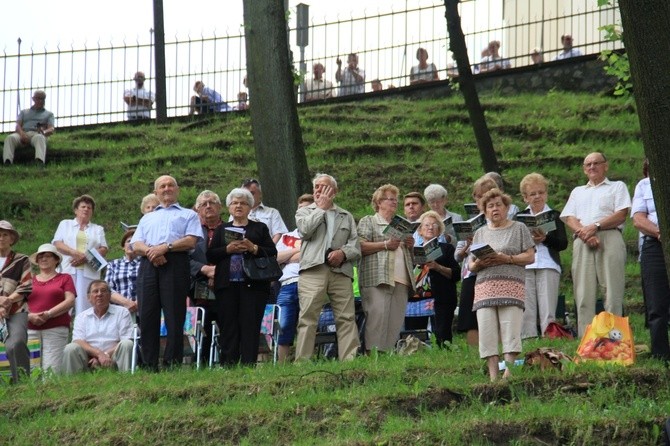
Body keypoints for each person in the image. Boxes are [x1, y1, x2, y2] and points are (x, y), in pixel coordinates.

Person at [129, 175, 201, 370]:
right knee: (147, 314)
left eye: (171, 185)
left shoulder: (189, 215)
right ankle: (149, 363)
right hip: (148, 265)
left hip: (176, 263)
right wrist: (153, 252)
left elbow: (191, 240)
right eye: (162, 186)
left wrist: (166, 248)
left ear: (177, 190)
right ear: (156, 192)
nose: (167, 188)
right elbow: (136, 243)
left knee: (174, 314)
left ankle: (173, 362)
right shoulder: (147, 217)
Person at [560, 152, 630, 336]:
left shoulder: (617, 187)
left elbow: (621, 213)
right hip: (583, 241)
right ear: (584, 169)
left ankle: (615, 342)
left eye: (596, 163)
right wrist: (585, 234)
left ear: (605, 166)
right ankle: (586, 342)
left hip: (610, 237)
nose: (592, 167)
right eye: (588, 164)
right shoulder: (578, 191)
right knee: (583, 294)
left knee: (612, 293)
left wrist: (595, 226)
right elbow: (569, 217)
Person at [468, 189, 535, 381]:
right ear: (485, 211)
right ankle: (492, 377)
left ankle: (509, 373)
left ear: (506, 208)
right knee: (487, 331)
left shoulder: (519, 228)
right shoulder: (480, 232)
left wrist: (508, 258)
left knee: (510, 329)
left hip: (511, 285)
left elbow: (530, 256)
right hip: (485, 288)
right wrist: (478, 264)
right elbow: (471, 264)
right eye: (490, 206)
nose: (495, 209)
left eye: (498, 205)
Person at [294, 173, 362, 361]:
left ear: (335, 191)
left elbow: (356, 245)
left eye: (324, 187)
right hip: (313, 270)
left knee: (346, 317)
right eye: (316, 187)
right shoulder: (305, 211)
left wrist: (343, 253)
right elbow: (305, 231)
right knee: (308, 317)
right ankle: (303, 362)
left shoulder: (346, 215)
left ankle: (349, 360)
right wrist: (320, 209)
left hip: (341, 271)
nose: (319, 190)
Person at [206, 188, 277, 366]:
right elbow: (211, 255)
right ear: (229, 207)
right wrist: (227, 250)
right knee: (228, 326)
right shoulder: (221, 229)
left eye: (243, 203)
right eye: (235, 203)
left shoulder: (259, 227)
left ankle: (248, 364)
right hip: (227, 285)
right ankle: (228, 364)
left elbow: (272, 251)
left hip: (253, 286)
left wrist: (253, 248)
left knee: (250, 325)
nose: (239, 206)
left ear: (250, 207)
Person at [357, 184, 415, 353]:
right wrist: (385, 244)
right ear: (379, 202)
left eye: (396, 200)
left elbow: (408, 255)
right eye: (390, 199)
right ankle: (373, 356)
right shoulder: (369, 221)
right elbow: (359, 246)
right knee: (377, 319)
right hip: (377, 278)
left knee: (395, 321)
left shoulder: (401, 224)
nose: (394, 203)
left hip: (401, 279)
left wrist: (410, 246)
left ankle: (387, 357)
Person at [517, 173, 568, 338]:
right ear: (525, 198)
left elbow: (562, 243)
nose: (537, 196)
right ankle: (529, 338)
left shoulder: (555, 215)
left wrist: (545, 238)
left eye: (541, 192)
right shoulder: (518, 218)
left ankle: (550, 338)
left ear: (546, 194)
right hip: (526, 265)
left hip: (548, 263)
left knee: (548, 308)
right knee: (527, 308)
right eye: (532, 194)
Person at [456, 175, 500, 347]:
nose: (480, 199)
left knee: (493, 313)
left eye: (484, 195)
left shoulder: (499, 220)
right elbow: (457, 256)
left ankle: (496, 351)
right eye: (477, 196)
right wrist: (467, 245)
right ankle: (474, 353)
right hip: (471, 272)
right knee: (470, 316)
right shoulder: (469, 223)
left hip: (493, 272)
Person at [631, 166, 669, 362]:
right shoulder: (644, 185)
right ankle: (661, 353)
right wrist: (661, 234)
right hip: (654, 244)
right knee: (656, 301)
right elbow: (638, 219)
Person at [61, 280, 134, 374]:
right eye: (95, 291)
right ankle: (72, 384)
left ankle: (126, 380)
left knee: (127, 343)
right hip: (89, 359)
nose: (99, 294)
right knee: (71, 348)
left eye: (103, 291)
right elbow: (78, 340)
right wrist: (98, 355)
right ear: (88, 297)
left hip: (114, 357)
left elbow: (127, 338)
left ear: (109, 295)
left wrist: (105, 355)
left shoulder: (122, 312)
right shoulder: (81, 317)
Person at [53, 194, 108, 316]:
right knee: (63, 303)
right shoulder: (65, 224)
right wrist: (75, 254)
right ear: (76, 210)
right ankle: (62, 331)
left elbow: (104, 249)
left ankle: (83, 334)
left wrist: (85, 257)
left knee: (86, 306)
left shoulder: (97, 229)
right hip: (67, 269)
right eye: (83, 206)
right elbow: (57, 243)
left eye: (89, 207)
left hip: (89, 271)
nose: (86, 209)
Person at [275, 193, 314, 363]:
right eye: (300, 209)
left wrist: (288, 257)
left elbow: (315, 255)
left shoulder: (318, 234)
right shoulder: (286, 237)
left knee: (308, 324)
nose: (303, 213)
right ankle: (281, 364)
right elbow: (275, 258)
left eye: (308, 210)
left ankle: (303, 360)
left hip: (312, 281)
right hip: (288, 284)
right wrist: (298, 252)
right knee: (284, 325)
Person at [27, 244, 76, 374]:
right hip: (30, 329)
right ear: (37, 261)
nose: (43, 259)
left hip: (55, 328)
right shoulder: (28, 281)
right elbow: (19, 303)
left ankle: (50, 394)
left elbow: (70, 300)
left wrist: (48, 314)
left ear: (56, 260)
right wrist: (30, 316)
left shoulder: (65, 278)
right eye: (40, 256)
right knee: (32, 371)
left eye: (48, 256)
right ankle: (33, 395)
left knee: (52, 370)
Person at [414, 211, 461, 345]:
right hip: (417, 297)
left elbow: (456, 274)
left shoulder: (447, 248)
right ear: (420, 230)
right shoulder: (413, 250)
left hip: (443, 296)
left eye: (434, 225)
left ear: (439, 230)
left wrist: (437, 267)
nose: (430, 227)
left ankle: (443, 355)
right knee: (417, 332)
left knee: (442, 333)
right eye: (426, 225)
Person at [189, 190, 224, 363]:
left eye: (212, 203)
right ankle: (202, 362)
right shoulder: (191, 232)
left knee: (228, 321)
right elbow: (184, 259)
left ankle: (229, 360)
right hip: (200, 284)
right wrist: (204, 270)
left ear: (220, 207)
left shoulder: (231, 229)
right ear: (197, 209)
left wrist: (217, 272)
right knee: (205, 321)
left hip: (226, 282)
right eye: (204, 204)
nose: (208, 206)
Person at [0, 221, 32, 383]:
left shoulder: (21, 260)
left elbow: (26, 285)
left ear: (12, 239)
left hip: (16, 310)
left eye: (5, 234)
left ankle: (22, 383)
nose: (1, 238)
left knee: (17, 343)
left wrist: (7, 301)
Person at [3, 90, 54, 166]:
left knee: (40, 138)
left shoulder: (49, 114)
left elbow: (51, 128)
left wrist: (44, 132)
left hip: (37, 134)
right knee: (10, 138)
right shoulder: (24, 112)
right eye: (38, 98)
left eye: (42, 99)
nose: (40, 101)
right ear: (33, 99)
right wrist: (22, 134)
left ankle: (39, 162)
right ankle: (7, 162)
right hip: (23, 133)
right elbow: (18, 125)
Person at [238, 178, 288, 244]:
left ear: (260, 194)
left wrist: (268, 249)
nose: (248, 197)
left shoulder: (272, 212)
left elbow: (278, 234)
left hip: (267, 250)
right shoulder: (237, 212)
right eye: (245, 194)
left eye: (252, 193)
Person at [104, 229, 140, 316]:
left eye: (135, 241)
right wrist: (126, 303)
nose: (131, 243)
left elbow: (151, 286)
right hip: (119, 312)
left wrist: (139, 302)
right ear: (123, 247)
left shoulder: (146, 263)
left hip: (143, 309)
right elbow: (107, 288)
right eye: (129, 241)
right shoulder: (113, 264)